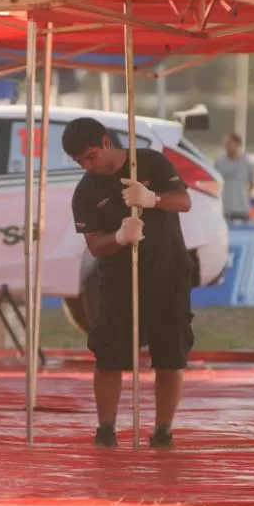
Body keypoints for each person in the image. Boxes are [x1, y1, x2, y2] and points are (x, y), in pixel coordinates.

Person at [62, 117, 195, 449]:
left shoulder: (149, 161)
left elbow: (184, 201)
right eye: (80, 162)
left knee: (170, 356)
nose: (88, 166)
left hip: (168, 271)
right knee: (108, 355)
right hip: (118, 280)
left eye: (91, 156)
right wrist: (119, 237)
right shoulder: (86, 192)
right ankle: (105, 430)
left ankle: (163, 429)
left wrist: (153, 199)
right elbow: (94, 244)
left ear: (106, 143)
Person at [213, 132, 254, 222]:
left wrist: (247, 196)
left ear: (238, 144)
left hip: (242, 208)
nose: (227, 145)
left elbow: (252, 183)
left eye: (230, 143)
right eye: (226, 143)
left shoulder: (246, 162)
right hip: (224, 209)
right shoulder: (219, 162)